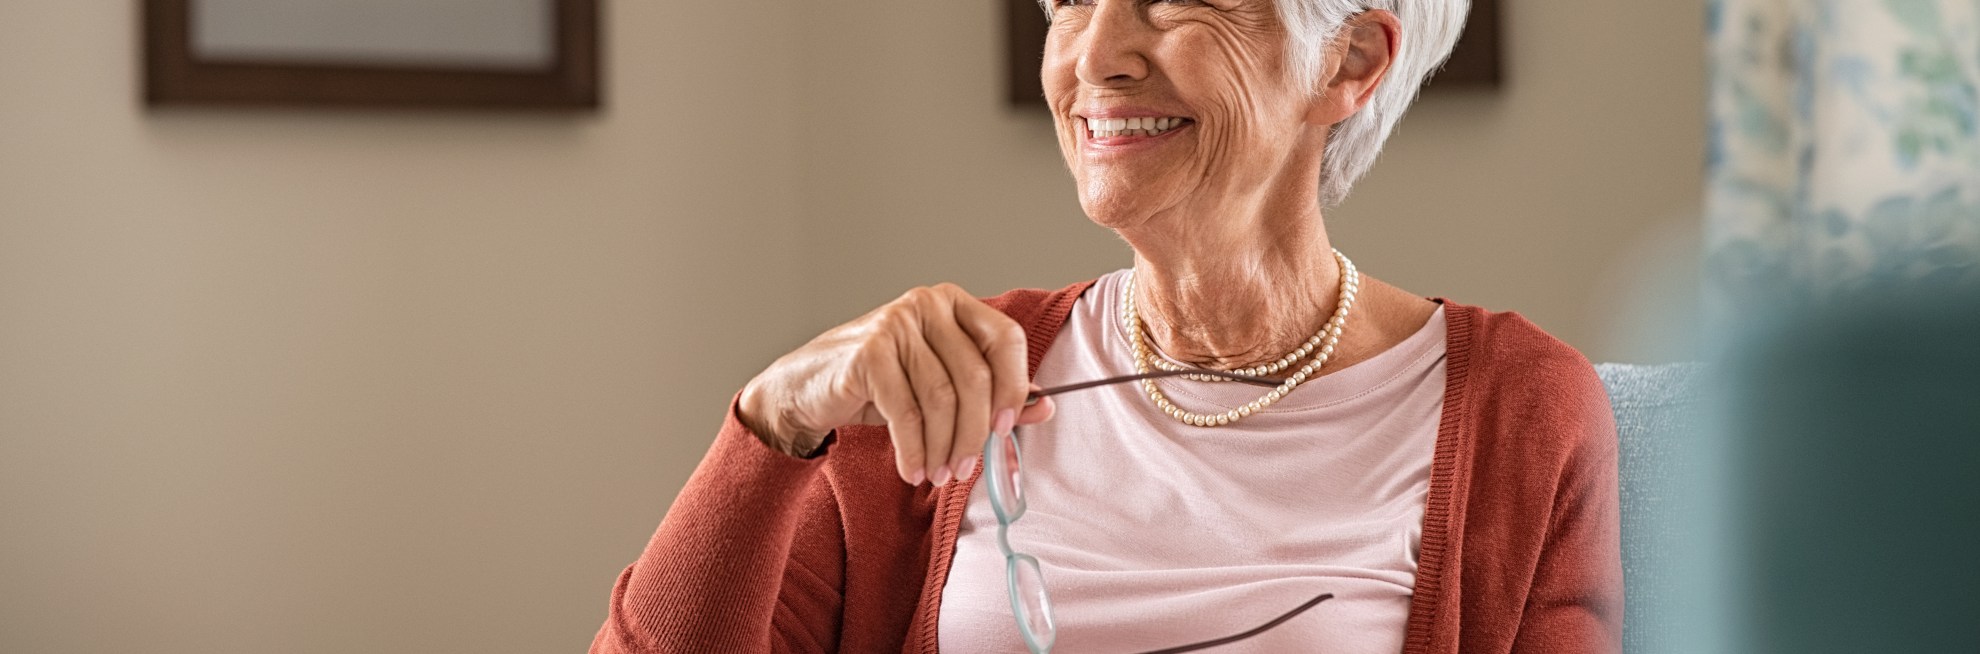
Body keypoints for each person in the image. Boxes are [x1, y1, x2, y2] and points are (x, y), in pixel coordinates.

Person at [591, 0, 1621, 652]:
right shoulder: (939, 384)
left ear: (1348, 60)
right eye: (1070, 0)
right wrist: (772, 421)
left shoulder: (1522, 410)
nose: (1095, 57)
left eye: (1170, 0)